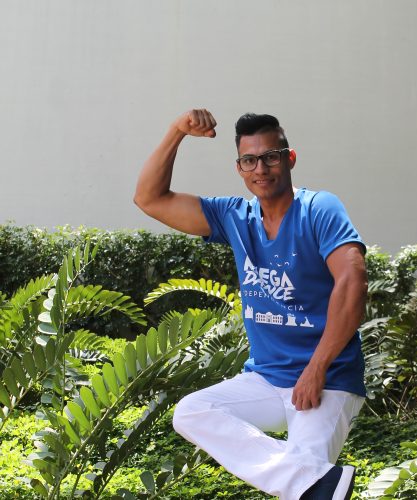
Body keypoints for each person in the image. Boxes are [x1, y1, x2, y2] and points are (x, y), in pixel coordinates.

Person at [134, 109, 368, 500]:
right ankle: (319, 481)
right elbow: (149, 198)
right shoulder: (234, 217)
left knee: (306, 484)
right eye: (249, 160)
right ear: (239, 168)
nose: (261, 168)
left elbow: (353, 282)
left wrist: (316, 368)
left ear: (289, 159)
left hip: (328, 379)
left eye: (270, 157)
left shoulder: (319, 209)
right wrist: (177, 131)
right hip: (265, 378)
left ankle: (316, 481)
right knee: (193, 412)